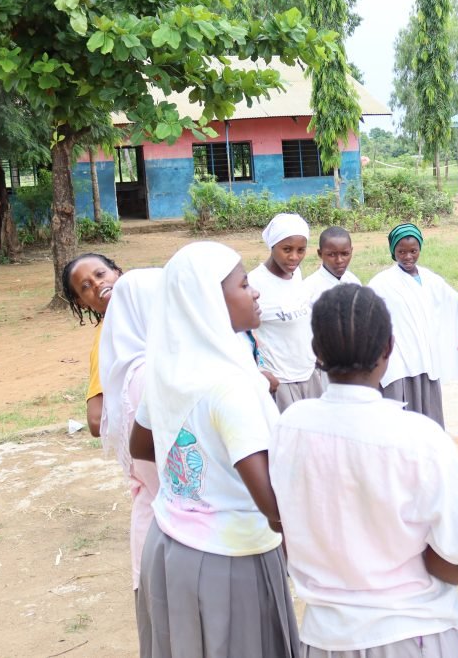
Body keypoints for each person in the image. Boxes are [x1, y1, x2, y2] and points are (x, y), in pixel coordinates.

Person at [269, 284, 458, 657]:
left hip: (325, 639)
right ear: (389, 348)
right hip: (412, 633)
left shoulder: (287, 427)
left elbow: (282, 521)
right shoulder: (418, 437)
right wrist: (431, 561)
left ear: (316, 352)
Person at [129, 241, 298, 658]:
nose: (255, 291)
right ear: (208, 303)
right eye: (243, 285)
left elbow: (141, 444)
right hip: (229, 558)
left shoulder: (172, 367)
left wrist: (196, 477)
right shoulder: (231, 387)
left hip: (169, 545)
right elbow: (274, 507)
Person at [368, 223, 458, 427]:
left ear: (420, 249)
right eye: (401, 251)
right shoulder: (381, 283)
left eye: (413, 251)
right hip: (398, 363)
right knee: (398, 422)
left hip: (425, 360)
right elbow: (366, 316)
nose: (408, 256)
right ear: (393, 251)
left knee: (428, 420)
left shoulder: (429, 279)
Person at [97, 268, 163, 592]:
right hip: (164, 523)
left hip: (152, 517)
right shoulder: (149, 375)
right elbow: (160, 471)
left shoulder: (129, 366)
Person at [250, 213, 326, 410]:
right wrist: (258, 372)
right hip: (280, 381)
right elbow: (241, 335)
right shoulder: (254, 283)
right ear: (272, 246)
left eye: (301, 250)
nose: (294, 257)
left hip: (309, 375)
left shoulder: (295, 275)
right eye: (286, 249)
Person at [61, 252, 124, 439]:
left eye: (100, 274)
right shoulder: (107, 338)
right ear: (81, 303)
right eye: (85, 286)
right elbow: (96, 421)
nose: (97, 284)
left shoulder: (155, 314)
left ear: (117, 273)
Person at [304, 226, 361, 303]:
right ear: (320, 254)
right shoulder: (309, 289)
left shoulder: (353, 281)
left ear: (351, 251)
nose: (339, 260)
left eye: (345, 254)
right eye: (332, 255)